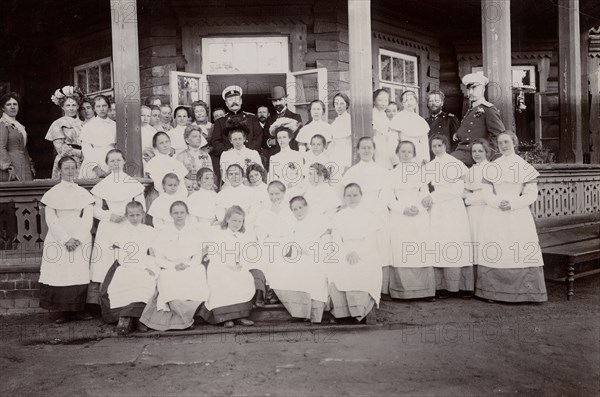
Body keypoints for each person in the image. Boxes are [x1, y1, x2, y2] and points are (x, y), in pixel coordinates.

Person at [475, 131, 547, 303]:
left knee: (518, 248)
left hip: (517, 213)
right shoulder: (492, 166)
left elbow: (531, 194)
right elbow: (486, 192)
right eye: (500, 142)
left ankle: (525, 293)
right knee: (497, 247)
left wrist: (513, 204)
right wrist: (497, 202)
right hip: (495, 213)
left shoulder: (524, 166)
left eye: (506, 141)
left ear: (514, 142)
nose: (503, 145)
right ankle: (493, 292)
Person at [39, 156, 95, 324]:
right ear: (60, 170)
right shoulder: (52, 194)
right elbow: (51, 220)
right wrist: (65, 239)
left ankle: (78, 309)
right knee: (60, 272)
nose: (70, 171)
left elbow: (88, 219)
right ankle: (61, 311)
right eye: (66, 168)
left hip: (80, 237)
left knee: (78, 272)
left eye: (72, 168)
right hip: (58, 238)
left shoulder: (83, 193)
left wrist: (77, 238)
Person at [140, 201, 210, 331]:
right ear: (171, 214)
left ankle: (191, 314)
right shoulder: (164, 232)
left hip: (190, 266)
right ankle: (183, 319)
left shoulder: (194, 231)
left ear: (187, 214)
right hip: (170, 266)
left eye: (182, 212)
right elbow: (159, 258)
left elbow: (197, 256)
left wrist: (188, 264)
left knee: (198, 273)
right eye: (176, 213)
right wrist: (172, 266)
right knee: (167, 278)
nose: (179, 215)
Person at [88, 149, 146, 305]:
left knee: (129, 262)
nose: (115, 163)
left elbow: (142, 206)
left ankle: (131, 300)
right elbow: (95, 209)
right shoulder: (102, 185)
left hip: (129, 225)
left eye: (118, 160)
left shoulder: (133, 184)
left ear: (124, 161)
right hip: (109, 227)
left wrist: (131, 216)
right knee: (107, 262)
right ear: (107, 164)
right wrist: (109, 215)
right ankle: (106, 304)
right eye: (112, 161)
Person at [422, 134, 474, 297]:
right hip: (438, 210)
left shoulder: (454, 163)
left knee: (455, 241)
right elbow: (421, 185)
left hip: (453, 207)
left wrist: (434, 197)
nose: (437, 149)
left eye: (440, 146)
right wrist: (426, 197)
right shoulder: (430, 165)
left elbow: (459, 187)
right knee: (440, 241)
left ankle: (460, 286)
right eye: (434, 146)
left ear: (446, 146)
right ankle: (441, 286)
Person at [270, 196, 331, 323]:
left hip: (315, 255)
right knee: (278, 268)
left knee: (314, 270)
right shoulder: (291, 224)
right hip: (297, 256)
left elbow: (325, 240)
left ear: (306, 207)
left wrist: (311, 251)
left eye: (300, 208)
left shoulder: (316, 221)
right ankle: (302, 312)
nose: (298, 211)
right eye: (294, 209)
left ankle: (315, 314)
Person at [100, 200, 158, 334]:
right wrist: (138, 266)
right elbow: (121, 256)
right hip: (127, 265)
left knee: (147, 279)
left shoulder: (149, 231)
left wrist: (148, 265)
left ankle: (140, 319)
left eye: (138, 215)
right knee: (124, 279)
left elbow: (154, 253)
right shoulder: (121, 232)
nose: (135, 218)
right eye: (132, 216)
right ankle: (126, 317)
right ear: (126, 216)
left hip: (147, 264)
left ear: (143, 214)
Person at [386, 141, 434, 300]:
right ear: (397, 153)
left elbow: (425, 193)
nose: (405, 155)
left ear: (414, 154)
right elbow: (389, 198)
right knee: (402, 249)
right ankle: (403, 290)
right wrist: (403, 209)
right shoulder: (391, 174)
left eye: (409, 152)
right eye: (402, 151)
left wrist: (419, 208)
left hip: (418, 213)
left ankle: (424, 290)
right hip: (400, 215)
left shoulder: (420, 173)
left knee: (420, 248)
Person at [328, 183, 382, 322]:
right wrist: (346, 252)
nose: (352, 198)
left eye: (355, 195)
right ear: (344, 197)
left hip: (364, 251)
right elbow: (336, 238)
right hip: (344, 251)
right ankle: (342, 313)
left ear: (361, 196)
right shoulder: (339, 216)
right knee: (335, 269)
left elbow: (371, 239)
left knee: (360, 268)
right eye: (348, 195)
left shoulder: (369, 215)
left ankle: (359, 312)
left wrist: (358, 253)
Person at [198, 205, 256, 327]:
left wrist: (240, 264)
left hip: (236, 266)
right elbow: (213, 253)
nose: (237, 224)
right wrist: (228, 265)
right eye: (234, 220)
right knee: (224, 278)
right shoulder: (218, 234)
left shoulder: (242, 236)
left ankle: (241, 315)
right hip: (219, 265)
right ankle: (225, 317)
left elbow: (246, 254)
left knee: (244, 277)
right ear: (227, 219)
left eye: (240, 221)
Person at [451, 73, 505, 166]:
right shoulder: (470, 110)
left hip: (473, 156)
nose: (470, 92)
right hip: (461, 153)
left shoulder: (488, 109)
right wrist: (458, 134)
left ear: (483, 89)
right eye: (468, 88)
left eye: (474, 88)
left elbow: (499, 135)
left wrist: (486, 156)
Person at [210, 86, 263, 177]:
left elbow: (259, 136)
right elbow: (216, 141)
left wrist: (248, 150)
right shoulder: (220, 121)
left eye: (236, 99)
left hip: (248, 157)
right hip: (230, 159)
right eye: (230, 100)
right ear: (226, 103)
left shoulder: (252, 118)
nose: (234, 102)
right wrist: (228, 151)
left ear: (241, 101)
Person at [463, 139, 492, 267]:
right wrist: (466, 195)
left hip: (484, 209)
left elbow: (489, 193)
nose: (477, 154)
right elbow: (464, 189)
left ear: (486, 152)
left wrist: (470, 199)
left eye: (480, 151)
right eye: (474, 151)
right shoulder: (471, 170)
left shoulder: (490, 168)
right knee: (472, 237)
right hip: (471, 210)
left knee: (483, 238)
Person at [46, 86, 85, 180]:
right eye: (68, 105)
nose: (71, 108)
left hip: (83, 162)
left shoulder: (83, 124)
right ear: (62, 107)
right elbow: (61, 149)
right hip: (66, 160)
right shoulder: (57, 124)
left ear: (78, 106)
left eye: (74, 105)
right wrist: (82, 153)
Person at [79, 95, 116, 179]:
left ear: (108, 107)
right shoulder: (88, 126)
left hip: (112, 159)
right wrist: (96, 168)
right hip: (94, 160)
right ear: (94, 108)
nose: (101, 109)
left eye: (104, 106)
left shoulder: (115, 125)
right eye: (98, 106)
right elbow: (86, 149)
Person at [262, 86, 303, 161]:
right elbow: (263, 140)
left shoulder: (295, 117)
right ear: (272, 102)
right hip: (275, 157)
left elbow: (299, 138)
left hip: (291, 156)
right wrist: (270, 142)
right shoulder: (269, 119)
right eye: (274, 101)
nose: (277, 103)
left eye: (280, 100)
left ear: (286, 100)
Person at [389, 91, 430, 165]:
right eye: (406, 100)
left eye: (411, 99)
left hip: (419, 157)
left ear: (416, 101)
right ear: (402, 103)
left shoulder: (420, 120)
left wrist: (425, 158)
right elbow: (392, 143)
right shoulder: (397, 119)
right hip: (404, 156)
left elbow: (425, 143)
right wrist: (396, 160)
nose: (409, 103)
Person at [0, 92, 34, 182]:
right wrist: (9, 167)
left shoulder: (18, 126)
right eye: (8, 104)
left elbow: (24, 148)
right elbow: (1, 147)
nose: (12, 107)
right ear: (3, 108)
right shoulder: (3, 124)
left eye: (15, 104)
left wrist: (30, 164)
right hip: (11, 165)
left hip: (23, 163)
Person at [145, 132, 189, 197]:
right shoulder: (153, 162)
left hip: (179, 195)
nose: (165, 145)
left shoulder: (175, 161)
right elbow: (158, 185)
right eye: (161, 143)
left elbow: (182, 182)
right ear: (155, 146)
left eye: (167, 142)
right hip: (163, 195)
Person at [267, 118, 304, 185]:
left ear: (289, 138)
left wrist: (292, 184)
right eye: (279, 138)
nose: (281, 140)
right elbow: (271, 177)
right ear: (277, 140)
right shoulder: (274, 158)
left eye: (284, 137)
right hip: (279, 188)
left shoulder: (297, 155)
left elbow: (300, 174)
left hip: (295, 188)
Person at [372, 89, 397, 170]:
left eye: (386, 100)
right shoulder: (372, 116)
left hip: (389, 151)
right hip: (377, 151)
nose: (383, 103)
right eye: (380, 100)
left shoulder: (384, 116)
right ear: (374, 101)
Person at [328, 92, 352, 172]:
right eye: (336, 103)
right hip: (335, 155)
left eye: (342, 103)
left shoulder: (350, 120)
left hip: (347, 155)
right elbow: (333, 142)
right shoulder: (335, 122)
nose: (339, 106)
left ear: (347, 105)